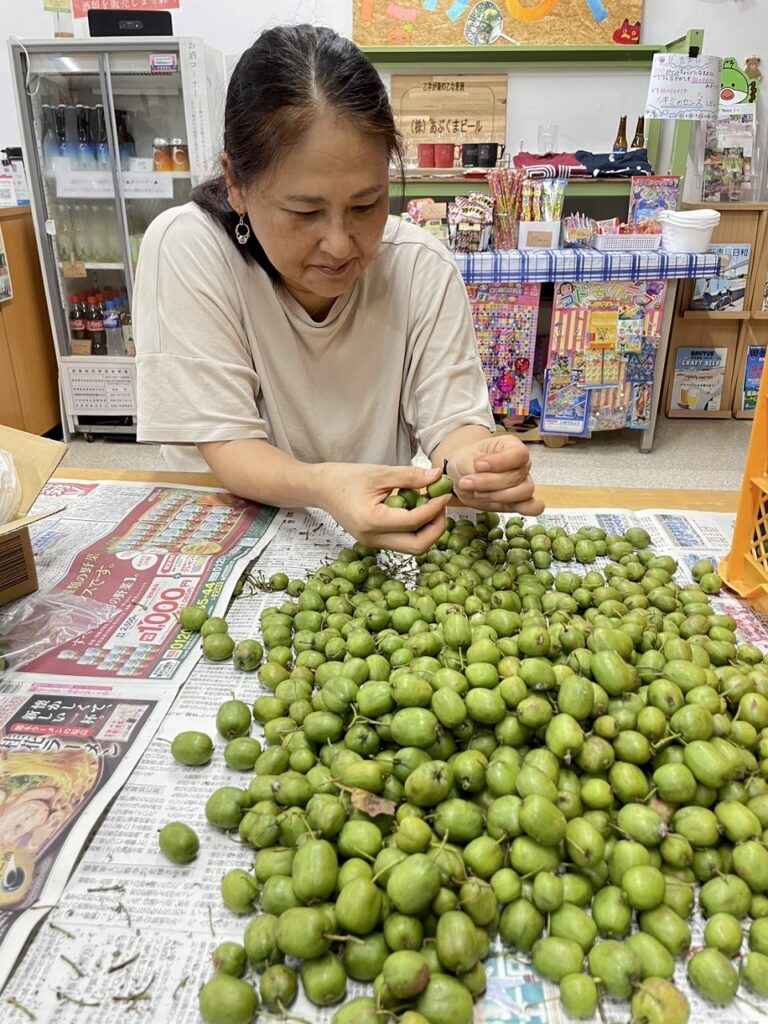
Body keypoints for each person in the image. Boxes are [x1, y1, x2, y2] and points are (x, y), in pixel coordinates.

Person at [134, 24, 542, 554]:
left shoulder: (419, 265)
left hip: (373, 545)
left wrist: (474, 464)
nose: (339, 244)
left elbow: (453, 424)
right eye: (305, 211)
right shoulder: (189, 247)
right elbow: (230, 445)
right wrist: (324, 486)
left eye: (366, 205)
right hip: (226, 528)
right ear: (235, 183)